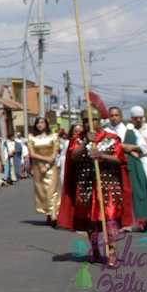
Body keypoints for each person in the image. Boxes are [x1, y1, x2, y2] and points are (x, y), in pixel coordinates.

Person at [57, 115, 133, 268]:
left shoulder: (111, 138)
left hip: (108, 185)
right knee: (90, 221)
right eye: (85, 120)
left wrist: (102, 156)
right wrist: (86, 141)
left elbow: (120, 160)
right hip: (86, 185)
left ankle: (112, 252)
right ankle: (95, 250)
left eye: (93, 119)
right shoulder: (78, 139)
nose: (89, 122)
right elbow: (73, 157)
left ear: (99, 121)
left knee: (111, 220)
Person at [116, 107, 147, 231]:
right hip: (118, 164)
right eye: (136, 118)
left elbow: (145, 148)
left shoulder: (134, 131)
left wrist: (132, 148)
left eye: (140, 117)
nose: (138, 120)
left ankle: (143, 220)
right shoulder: (119, 130)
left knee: (141, 192)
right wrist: (125, 148)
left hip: (139, 164)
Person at [27, 116, 60, 225]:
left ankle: (54, 214)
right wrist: (46, 159)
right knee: (42, 192)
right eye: (38, 123)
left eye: (42, 122)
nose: (40, 124)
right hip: (38, 167)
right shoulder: (31, 138)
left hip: (51, 167)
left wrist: (50, 160)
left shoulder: (54, 136)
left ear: (46, 124)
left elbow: (55, 151)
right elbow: (32, 154)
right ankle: (48, 214)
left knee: (52, 191)